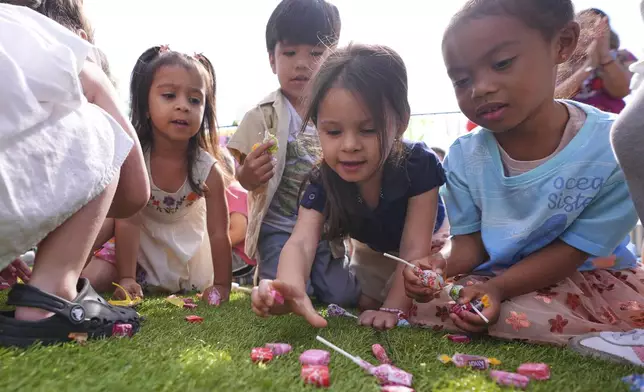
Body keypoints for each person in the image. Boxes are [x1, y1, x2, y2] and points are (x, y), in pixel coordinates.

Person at [404, 0, 642, 346]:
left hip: (586, 277)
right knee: (433, 305)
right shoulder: (464, 155)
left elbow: (571, 253)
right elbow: (471, 245)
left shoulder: (612, 148)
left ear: (562, 43)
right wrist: (439, 265)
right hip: (492, 276)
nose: (480, 88)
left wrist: (499, 288)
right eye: (461, 80)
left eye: (502, 64)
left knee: (524, 317)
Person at [251, 43, 447, 330]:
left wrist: (394, 309)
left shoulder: (419, 165)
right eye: (333, 131)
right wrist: (289, 285)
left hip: (428, 248)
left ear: (401, 122)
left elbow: (414, 249)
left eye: (368, 130)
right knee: (363, 299)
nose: (350, 145)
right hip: (372, 253)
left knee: (431, 302)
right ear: (317, 126)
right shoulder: (323, 178)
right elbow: (302, 241)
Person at [0, 2, 148, 346]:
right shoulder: (63, 49)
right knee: (105, 129)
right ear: (81, 40)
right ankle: (52, 293)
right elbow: (135, 189)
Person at [227, 0, 360, 305]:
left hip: (328, 230)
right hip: (279, 228)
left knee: (344, 296)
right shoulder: (263, 115)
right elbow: (242, 176)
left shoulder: (342, 112)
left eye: (315, 53)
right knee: (286, 296)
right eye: (289, 53)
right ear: (272, 60)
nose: (302, 63)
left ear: (333, 58)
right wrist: (248, 174)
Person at [97, 45, 232, 302]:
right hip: (137, 248)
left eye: (194, 100)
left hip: (187, 253)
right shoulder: (135, 159)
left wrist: (223, 285)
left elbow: (218, 232)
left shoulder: (208, 170)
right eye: (169, 96)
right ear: (146, 106)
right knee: (95, 277)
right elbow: (128, 222)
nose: (183, 106)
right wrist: (126, 278)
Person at [570, 0, 644, 367]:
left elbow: (623, 88)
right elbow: (554, 97)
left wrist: (602, 58)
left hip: (609, 161)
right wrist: (582, 63)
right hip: (570, 157)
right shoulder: (563, 65)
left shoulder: (620, 58)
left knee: (610, 230)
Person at [555, 8, 635, 114]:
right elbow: (555, 97)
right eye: (583, 26)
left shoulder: (622, 56)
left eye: (594, 27)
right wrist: (588, 66)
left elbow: (622, 91)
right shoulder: (559, 60)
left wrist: (605, 58)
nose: (589, 33)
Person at [219, 150, 256, 285]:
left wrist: (210, 247)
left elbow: (239, 231)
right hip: (241, 257)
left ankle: (242, 278)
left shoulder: (232, 191)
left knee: (207, 263)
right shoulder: (233, 189)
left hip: (243, 258)